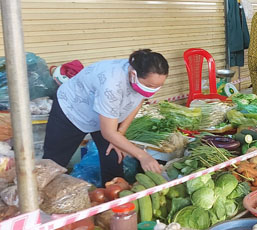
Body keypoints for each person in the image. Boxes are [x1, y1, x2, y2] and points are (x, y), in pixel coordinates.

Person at [43, 50, 168, 183]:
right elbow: (108, 132)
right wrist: (142, 156)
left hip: (106, 115)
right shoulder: (112, 84)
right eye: (150, 86)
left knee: (114, 156)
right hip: (72, 110)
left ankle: (113, 193)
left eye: (158, 86)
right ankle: (39, 197)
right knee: (53, 163)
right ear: (133, 74)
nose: (153, 90)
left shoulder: (144, 79)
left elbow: (138, 100)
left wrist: (120, 133)